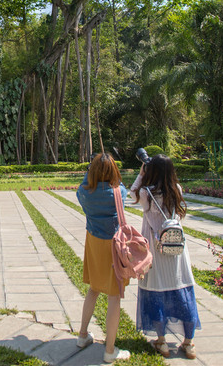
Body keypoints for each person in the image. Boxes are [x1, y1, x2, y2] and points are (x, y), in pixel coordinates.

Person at [135, 154, 200, 360]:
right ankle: (188, 343)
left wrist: (140, 174)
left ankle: (161, 341)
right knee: (181, 290)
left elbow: (132, 193)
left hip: (155, 249)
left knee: (156, 291)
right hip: (176, 248)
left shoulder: (146, 193)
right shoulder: (176, 190)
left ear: (150, 171)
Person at [76, 153, 132, 363]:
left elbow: (84, 185)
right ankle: (110, 350)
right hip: (113, 246)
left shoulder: (85, 193)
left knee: (93, 289)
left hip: (93, 243)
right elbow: (120, 185)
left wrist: (89, 170)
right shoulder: (118, 192)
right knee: (114, 296)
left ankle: (82, 335)